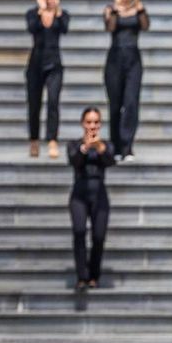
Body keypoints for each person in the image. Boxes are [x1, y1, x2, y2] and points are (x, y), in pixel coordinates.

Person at [102, 0, 149, 162]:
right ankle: (115, 145)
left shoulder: (138, 9)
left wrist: (138, 4)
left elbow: (145, 25)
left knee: (131, 103)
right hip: (114, 60)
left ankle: (127, 145)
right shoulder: (110, 9)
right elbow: (110, 27)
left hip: (133, 60)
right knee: (115, 105)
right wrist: (116, 5)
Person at [67, 107, 113, 290]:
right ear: (82, 124)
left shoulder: (105, 145)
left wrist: (100, 148)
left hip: (99, 193)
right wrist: (85, 147)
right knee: (79, 232)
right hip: (79, 192)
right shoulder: (74, 145)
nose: (92, 126)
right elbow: (74, 160)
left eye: (95, 122)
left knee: (99, 236)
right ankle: (81, 275)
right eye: (89, 122)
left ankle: (94, 274)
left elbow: (110, 161)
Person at [25, 0, 69, 159]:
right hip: (35, 64)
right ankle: (34, 139)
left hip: (54, 64)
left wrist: (55, 11)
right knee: (34, 105)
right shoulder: (32, 13)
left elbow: (64, 28)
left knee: (53, 102)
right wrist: (42, 9)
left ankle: (52, 139)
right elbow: (33, 28)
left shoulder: (62, 14)